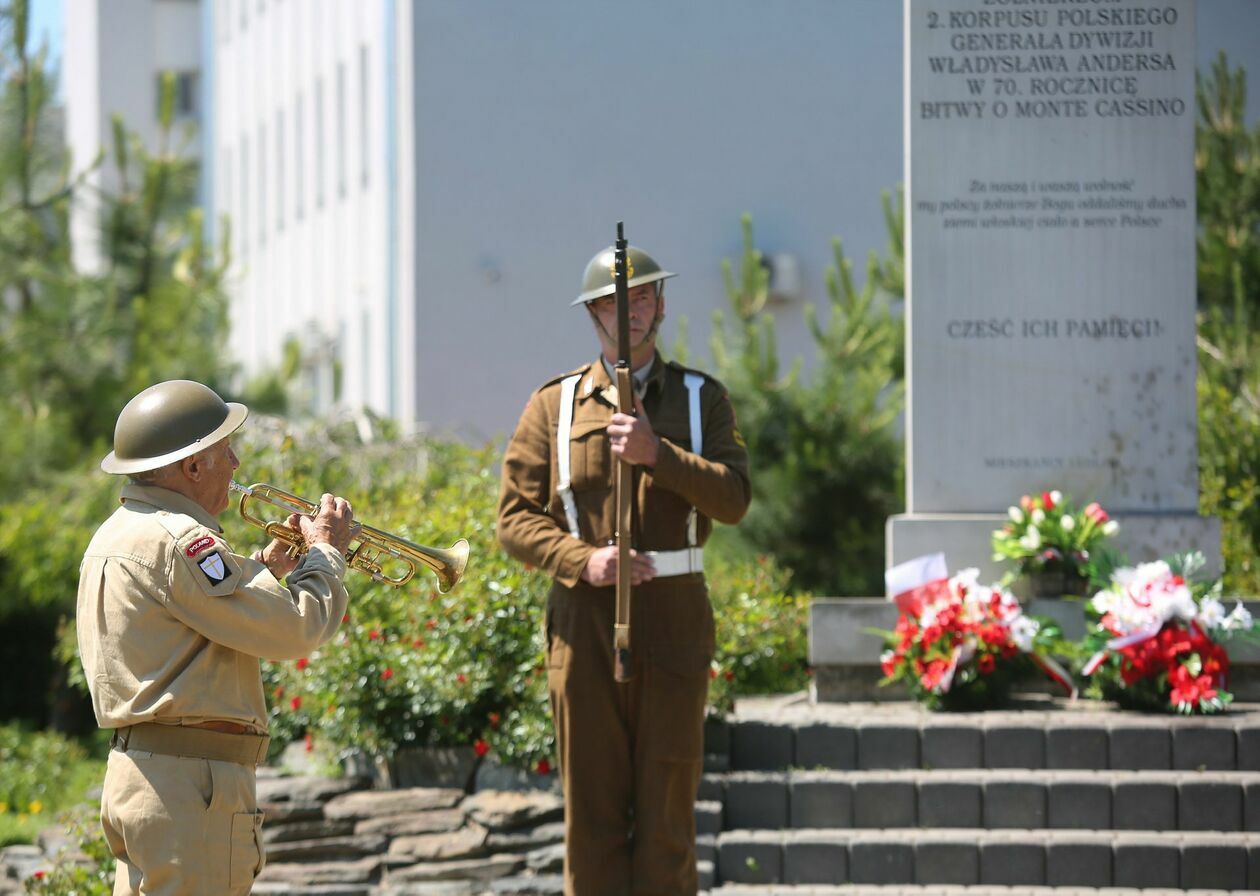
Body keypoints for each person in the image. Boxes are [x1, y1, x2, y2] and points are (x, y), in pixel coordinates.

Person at [498, 242, 751, 895]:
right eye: (614, 300)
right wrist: (585, 562)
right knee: (592, 822)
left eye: (641, 296)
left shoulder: (702, 400)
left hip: (673, 615)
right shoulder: (553, 406)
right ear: (593, 315)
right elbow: (515, 521)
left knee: (668, 820)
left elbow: (734, 500)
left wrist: (657, 454)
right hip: (583, 622)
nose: (629, 310)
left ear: (660, 305)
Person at [77, 379, 355, 895]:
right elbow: (299, 628)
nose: (236, 464)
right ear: (193, 467)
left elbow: (189, 628)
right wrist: (326, 554)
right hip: (191, 789)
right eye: (225, 450)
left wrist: (263, 568)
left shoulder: (119, 531)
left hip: (146, 775)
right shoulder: (181, 540)